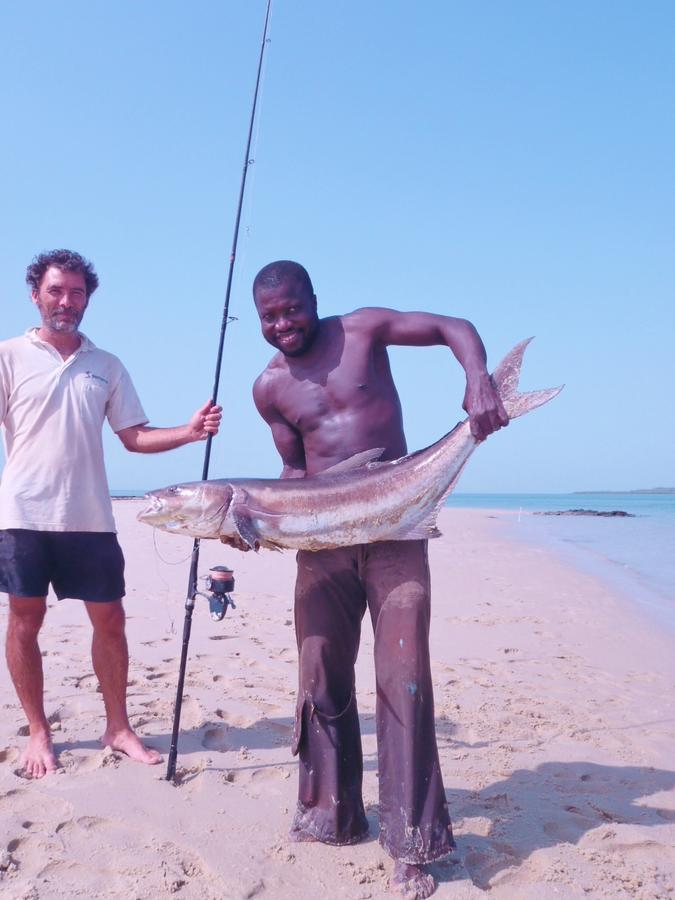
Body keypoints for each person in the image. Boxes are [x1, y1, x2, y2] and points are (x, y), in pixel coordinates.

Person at [243, 260, 508, 898]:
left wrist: (479, 379)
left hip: (395, 532)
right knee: (319, 674)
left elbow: (453, 325)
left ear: (313, 300)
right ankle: (329, 814)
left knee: (403, 680)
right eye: (268, 317)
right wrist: (256, 521)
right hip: (324, 546)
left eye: (290, 310)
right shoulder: (268, 387)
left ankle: (411, 845)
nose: (282, 325)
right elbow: (292, 472)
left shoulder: (362, 330)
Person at [0, 249, 222, 779]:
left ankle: (117, 726)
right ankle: (38, 730)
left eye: (77, 293)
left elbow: (135, 437)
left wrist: (190, 432)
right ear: (36, 294)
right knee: (24, 621)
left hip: (91, 517)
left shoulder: (107, 366)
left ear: (87, 300)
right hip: (23, 514)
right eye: (56, 290)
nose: (66, 301)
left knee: (111, 621)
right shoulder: (7, 356)